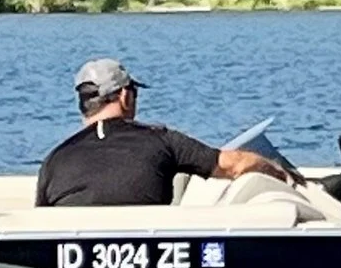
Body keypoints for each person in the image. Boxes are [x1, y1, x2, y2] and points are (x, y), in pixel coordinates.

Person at [36, 58, 288, 206]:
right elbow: (234, 165)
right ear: (124, 95)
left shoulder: (54, 161)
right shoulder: (161, 141)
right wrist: (278, 172)